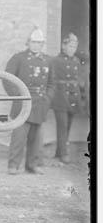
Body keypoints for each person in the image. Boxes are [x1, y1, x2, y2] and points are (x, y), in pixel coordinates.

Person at [5, 28, 55, 175]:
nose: (36, 45)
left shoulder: (48, 61)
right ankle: (13, 165)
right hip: (23, 103)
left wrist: (47, 99)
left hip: (40, 104)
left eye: (39, 43)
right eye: (33, 42)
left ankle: (33, 165)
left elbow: (52, 84)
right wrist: (17, 97)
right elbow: (8, 80)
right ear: (28, 42)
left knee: (37, 139)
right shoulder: (18, 58)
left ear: (43, 44)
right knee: (19, 137)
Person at [49, 33, 83, 164]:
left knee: (68, 125)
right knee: (62, 125)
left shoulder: (76, 61)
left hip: (73, 96)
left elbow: (77, 78)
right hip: (60, 96)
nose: (72, 49)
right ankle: (63, 154)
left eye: (74, 46)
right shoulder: (55, 61)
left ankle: (59, 151)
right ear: (64, 46)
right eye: (70, 46)